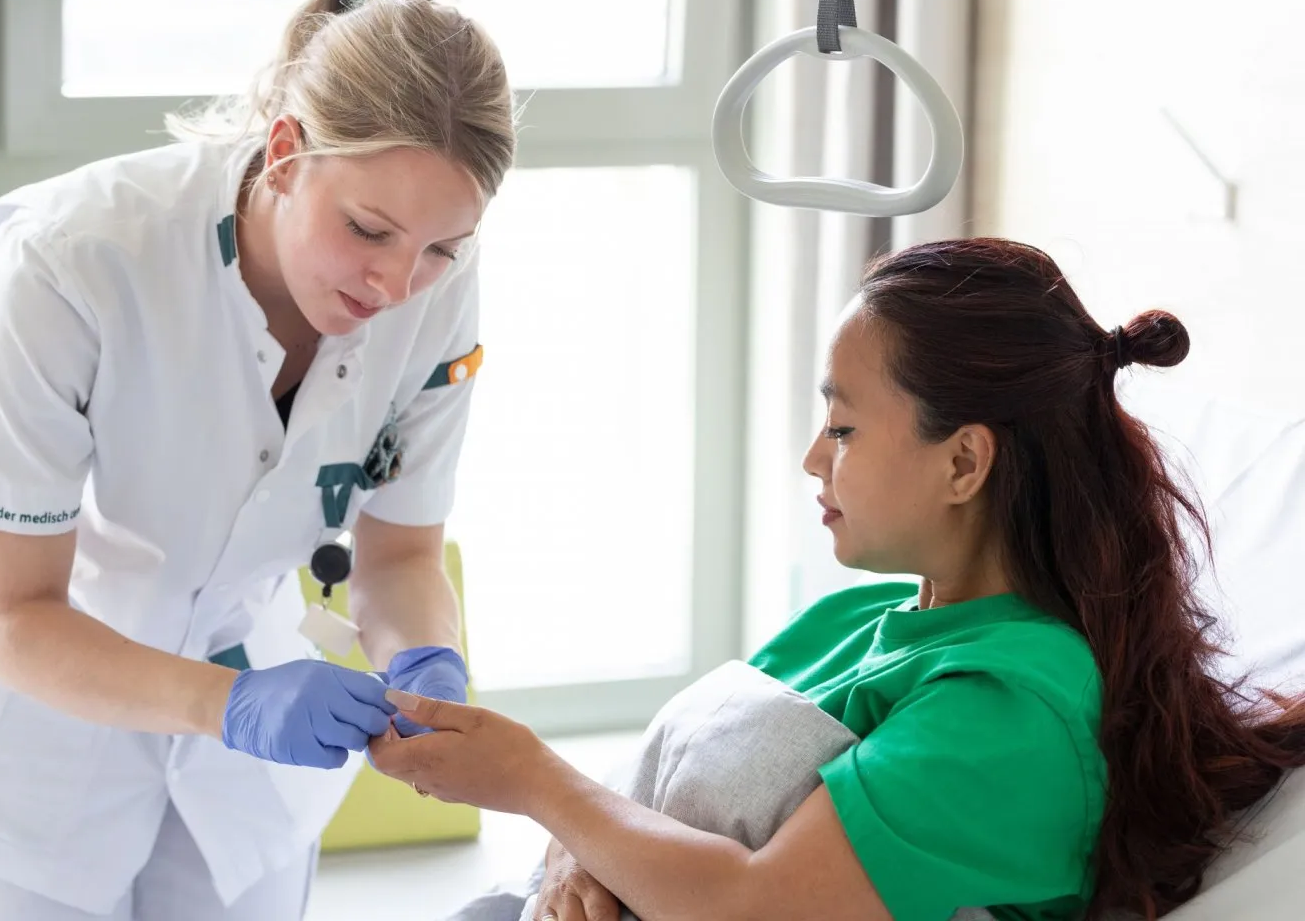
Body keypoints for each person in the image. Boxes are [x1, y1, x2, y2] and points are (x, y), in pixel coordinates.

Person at [370, 238, 1305, 921]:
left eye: (846, 427)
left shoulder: (1012, 714)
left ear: (965, 463)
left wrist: (532, 779)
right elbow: (638, 797)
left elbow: (756, 907)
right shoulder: (855, 618)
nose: (814, 458)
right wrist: (576, 855)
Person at [0, 0, 516, 919]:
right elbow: (14, 615)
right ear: (288, 155)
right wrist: (232, 707)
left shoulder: (435, 285)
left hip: (238, 721)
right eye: (368, 230)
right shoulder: (66, 267)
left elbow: (403, 551)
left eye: (441, 249)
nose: (397, 285)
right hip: (36, 734)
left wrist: (426, 661)